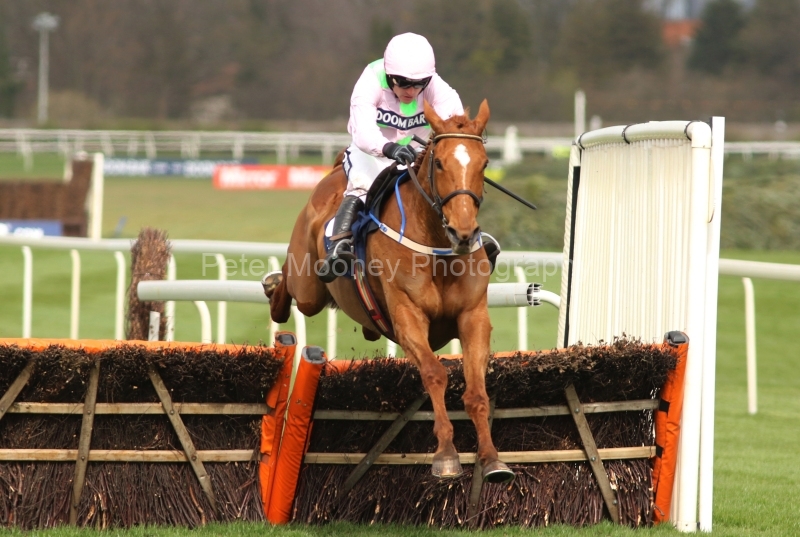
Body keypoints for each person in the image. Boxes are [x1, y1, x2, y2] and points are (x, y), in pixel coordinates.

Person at [318, 32, 498, 282]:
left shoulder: (435, 86)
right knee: (361, 183)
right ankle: (339, 246)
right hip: (371, 152)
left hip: (416, 153)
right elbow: (363, 132)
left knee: (450, 183)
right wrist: (388, 149)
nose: (411, 90)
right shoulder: (370, 80)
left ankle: (470, 235)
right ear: (389, 75)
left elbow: (455, 127)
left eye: (418, 84)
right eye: (403, 83)